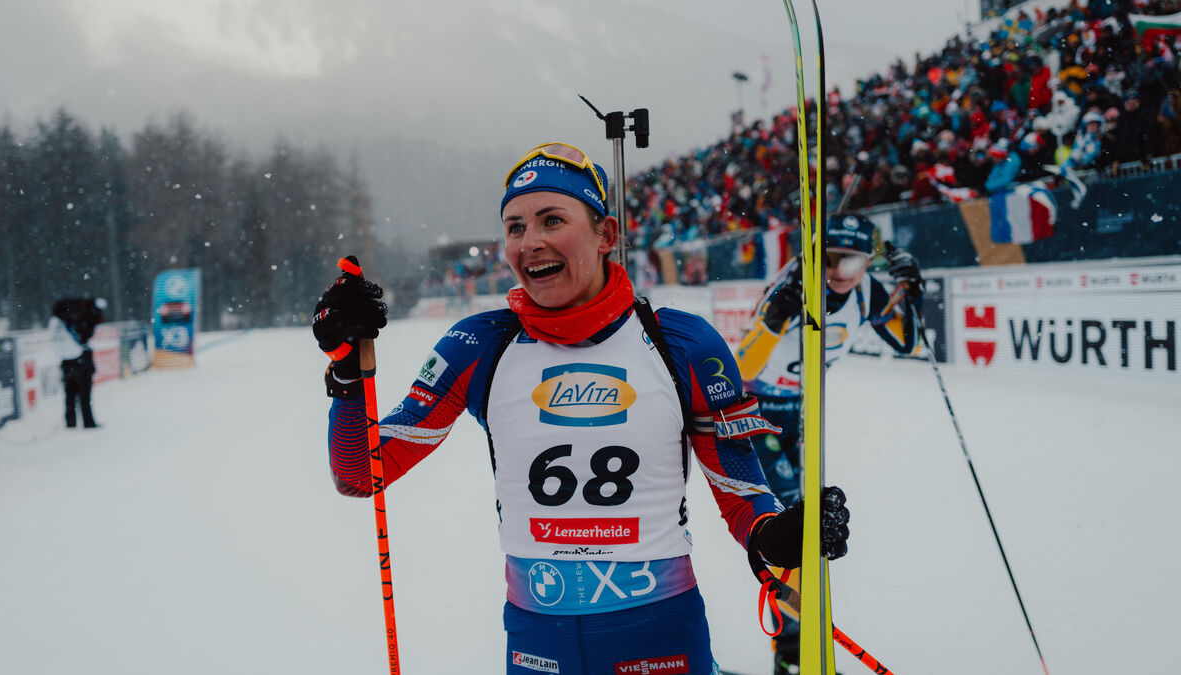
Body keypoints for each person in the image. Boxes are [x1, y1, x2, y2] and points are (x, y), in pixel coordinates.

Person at [313, 142, 850, 674]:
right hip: (537, 642)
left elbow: (743, 497)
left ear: (606, 235)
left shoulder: (683, 343)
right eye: (516, 227)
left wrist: (776, 535)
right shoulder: (478, 346)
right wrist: (345, 372)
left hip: (660, 635)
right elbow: (361, 475)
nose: (531, 242)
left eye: (551, 220)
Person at [734, 213, 921, 674]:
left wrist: (908, 292)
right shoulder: (794, 284)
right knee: (790, 522)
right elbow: (742, 368)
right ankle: (793, 649)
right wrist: (779, 312)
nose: (840, 271)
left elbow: (906, 343)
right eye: (832, 259)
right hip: (757, 410)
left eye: (853, 260)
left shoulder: (868, 290)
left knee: (810, 522)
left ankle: (799, 645)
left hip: (802, 409)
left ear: (868, 261)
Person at [48, 297, 106, 429]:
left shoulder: (57, 322)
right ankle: (88, 422)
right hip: (82, 360)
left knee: (70, 394)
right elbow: (86, 336)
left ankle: (70, 422)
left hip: (66, 362)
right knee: (85, 394)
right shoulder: (84, 319)